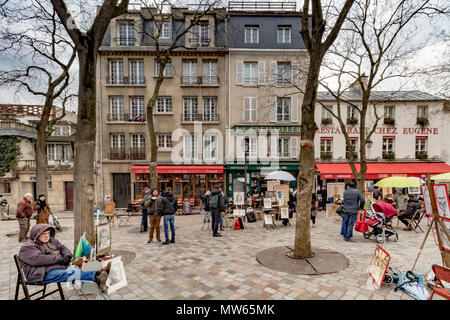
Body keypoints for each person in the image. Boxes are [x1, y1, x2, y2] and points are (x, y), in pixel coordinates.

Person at [18, 224, 111, 292]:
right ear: (37, 234)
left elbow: (63, 248)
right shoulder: (28, 247)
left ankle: (98, 273)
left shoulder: (50, 240)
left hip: (53, 267)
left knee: (76, 268)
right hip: (39, 273)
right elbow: (39, 259)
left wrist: (67, 256)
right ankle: (96, 276)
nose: (47, 236)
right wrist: (60, 259)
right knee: (71, 272)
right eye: (44, 234)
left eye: (48, 233)